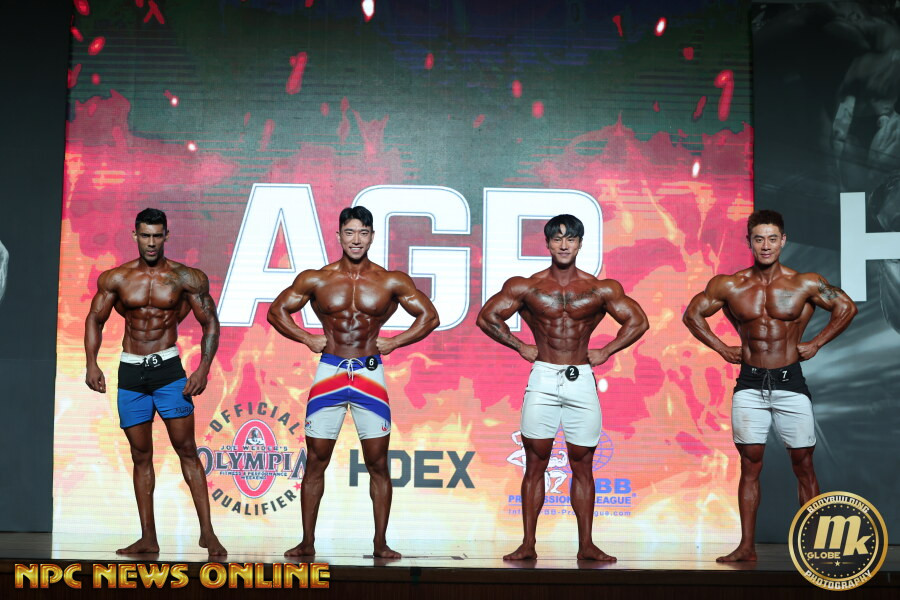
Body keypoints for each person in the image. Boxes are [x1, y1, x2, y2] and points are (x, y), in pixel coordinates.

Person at [683, 209, 857, 562]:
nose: (766, 246)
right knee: (750, 464)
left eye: (772, 239)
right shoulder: (730, 284)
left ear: (783, 241)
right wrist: (722, 348)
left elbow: (846, 307)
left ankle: (813, 546)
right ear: (749, 242)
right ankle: (746, 547)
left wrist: (817, 343)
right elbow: (692, 314)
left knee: (803, 463)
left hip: (789, 380)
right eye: (759, 239)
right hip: (750, 382)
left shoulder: (805, 283)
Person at [267, 205, 439, 559]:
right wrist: (306, 338)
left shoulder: (391, 280)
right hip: (329, 371)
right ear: (339, 236)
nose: (356, 239)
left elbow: (429, 316)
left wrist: (395, 342)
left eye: (363, 232)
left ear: (372, 236)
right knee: (316, 460)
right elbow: (276, 311)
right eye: (349, 232)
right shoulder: (317, 278)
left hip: (368, 373)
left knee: (377, 462)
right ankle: (307, 541)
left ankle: (380, 543)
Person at [477, 214, 649, 561]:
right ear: (547, 244)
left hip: (580, 376)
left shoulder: (600, 289)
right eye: (557, 239)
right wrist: (519, 345)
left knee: (582, 462)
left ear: (580, 243)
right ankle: (528, 544)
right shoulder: (527, 286)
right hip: (543, 375)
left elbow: (638, 321)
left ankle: (586, 545)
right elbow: (487, 317)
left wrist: (606, 350)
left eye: (570, 238)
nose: (564, 245)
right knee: (535, 461)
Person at [84, 208, 226, 556]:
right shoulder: (117, 278)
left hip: (168, 371)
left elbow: (210, 322)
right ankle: (148, 538)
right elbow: (95, 319)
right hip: (131, 373)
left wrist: (203, 368)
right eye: (145, 235)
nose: (151, 242)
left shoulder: (185, 278)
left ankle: (208, 534)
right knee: (140, 455)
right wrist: (91, 363)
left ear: (166, 236)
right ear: (135, 235)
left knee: (187, 450)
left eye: (157, 236)